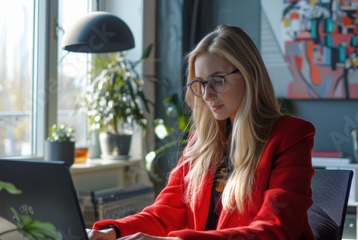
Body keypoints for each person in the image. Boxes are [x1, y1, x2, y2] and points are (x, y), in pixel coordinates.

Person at [88, 24, 316, 240]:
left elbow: (275, 231)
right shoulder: (203, 142)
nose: (207, 96)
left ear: (249, 75)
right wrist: (113, 231)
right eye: (200, 84)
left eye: (217, 81)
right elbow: (164, 213)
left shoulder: (290, 136)